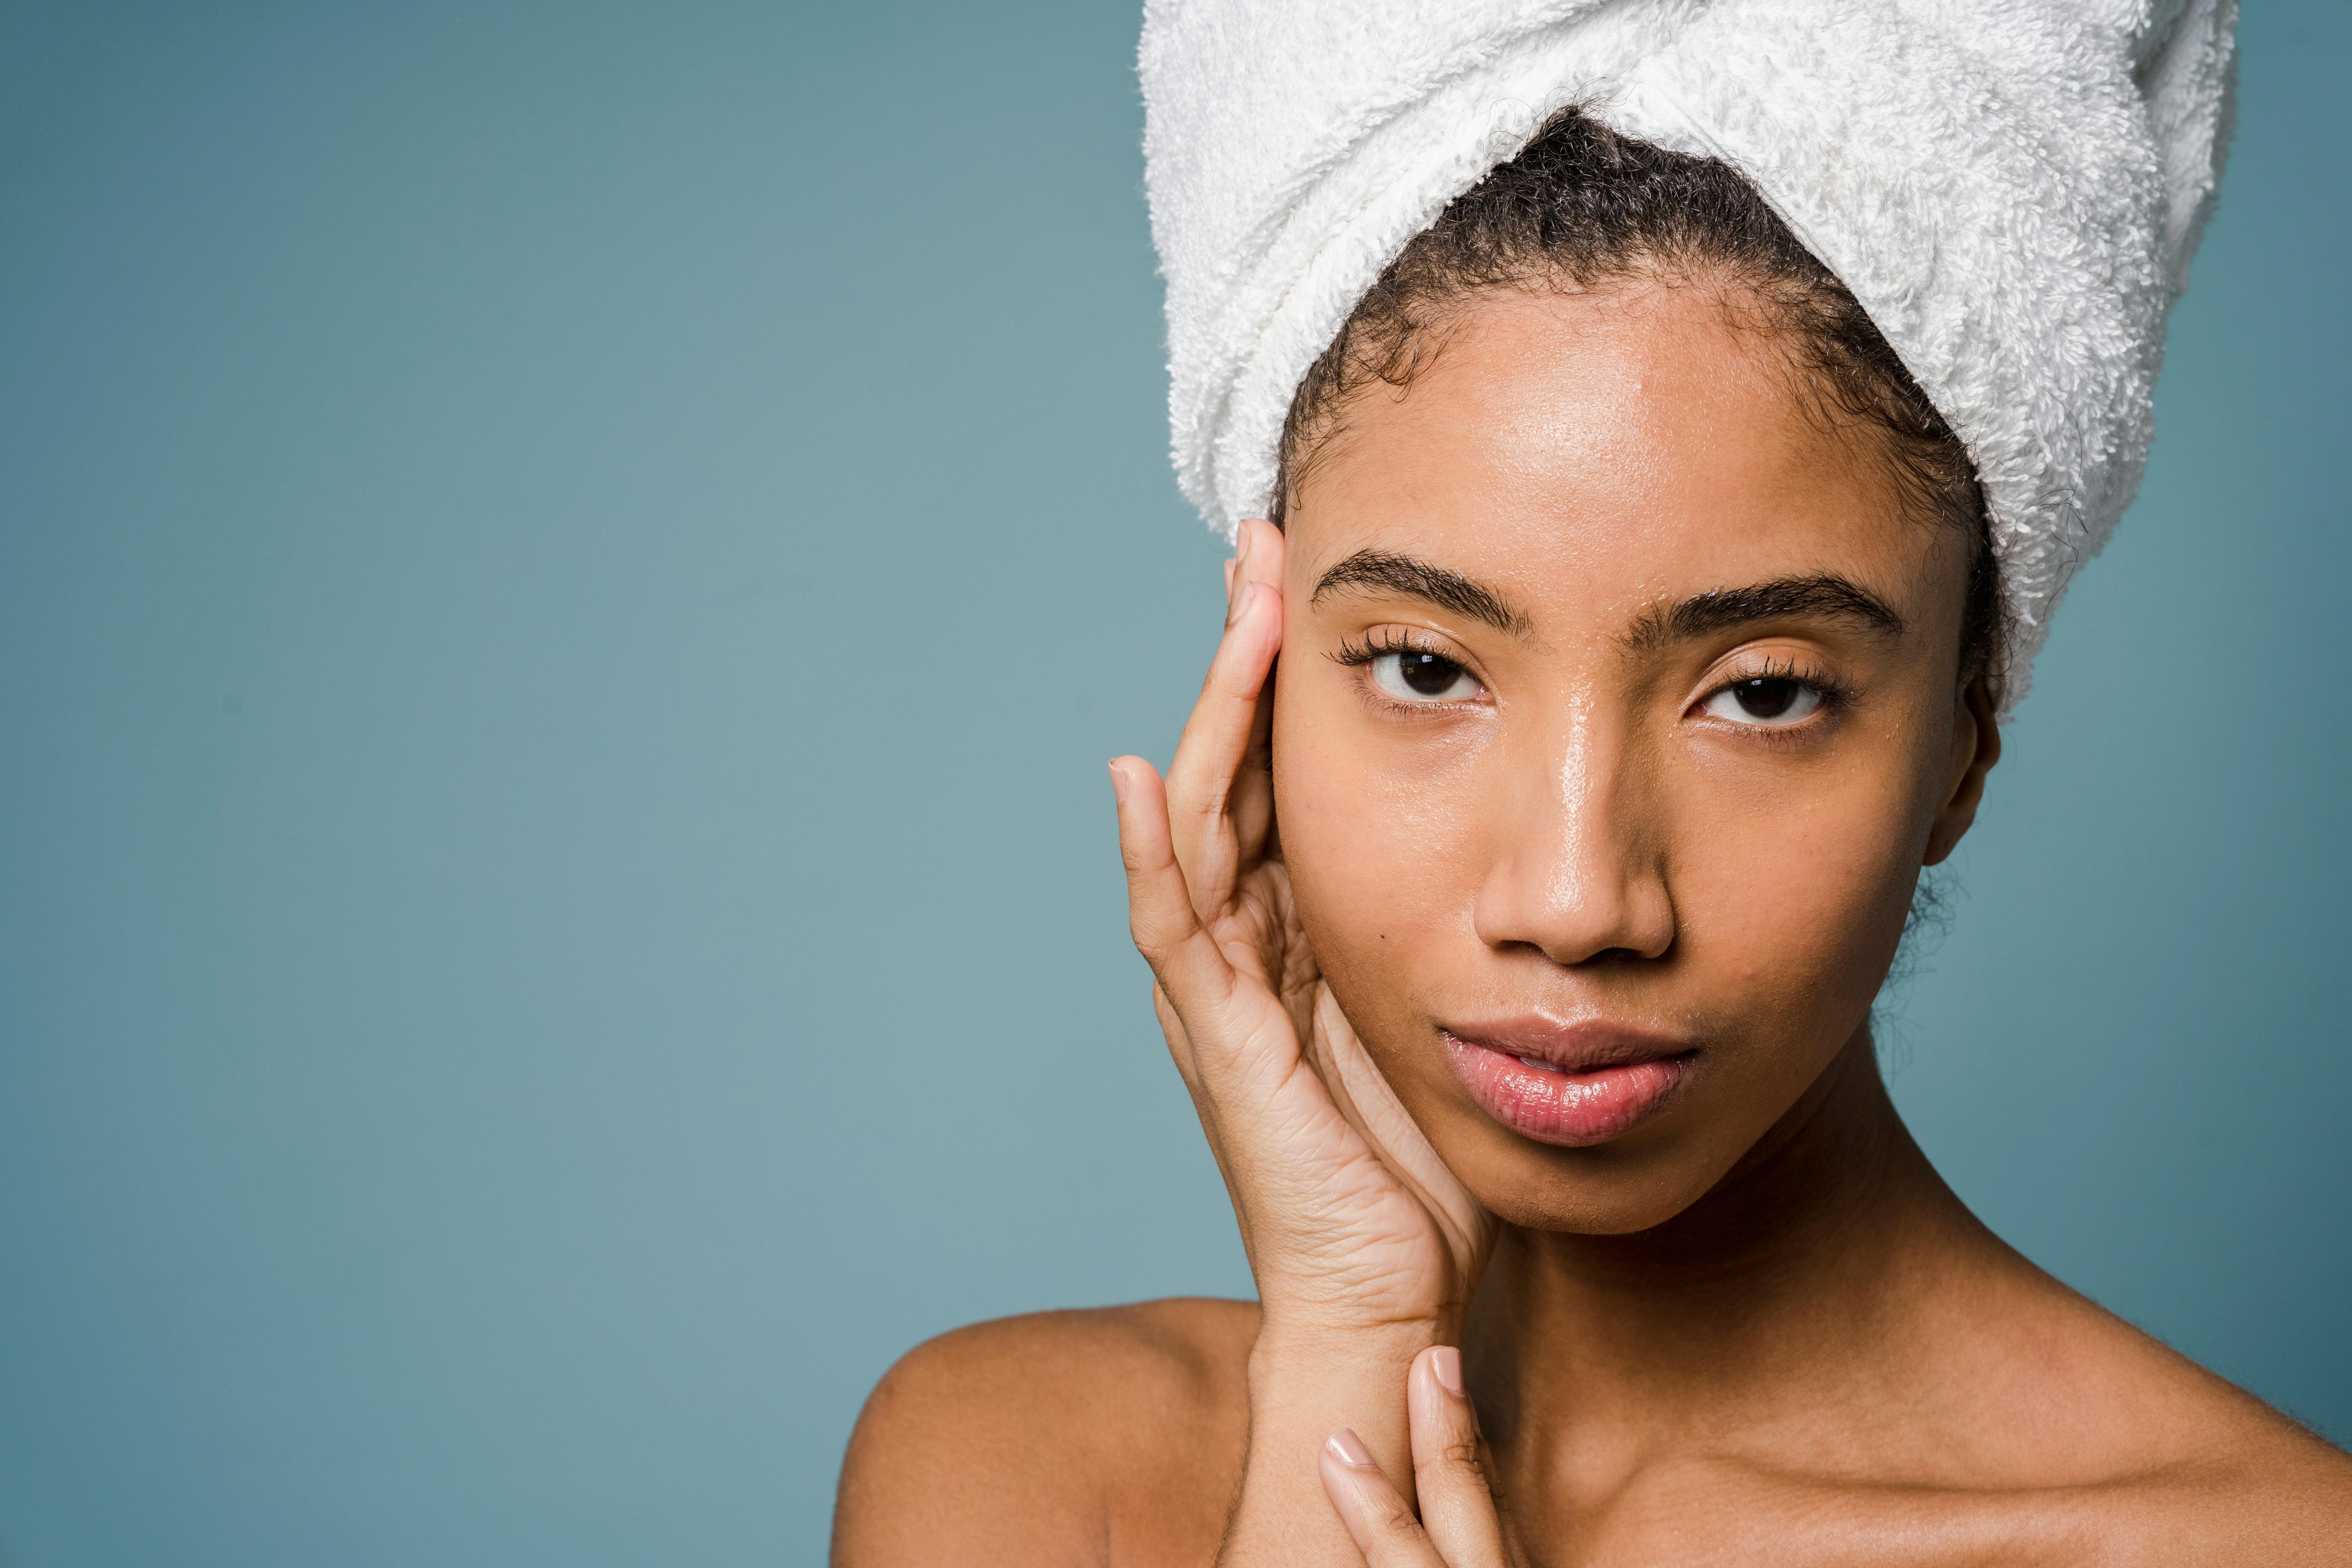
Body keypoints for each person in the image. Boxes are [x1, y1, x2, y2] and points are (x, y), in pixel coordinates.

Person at [834, 9, 2352, 1564]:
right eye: (1427, 669)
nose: (1577, 901)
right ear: (1264, 678)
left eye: (1762, 694)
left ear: (1965, 731)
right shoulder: (1020, 1473)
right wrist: (1348, 1353)